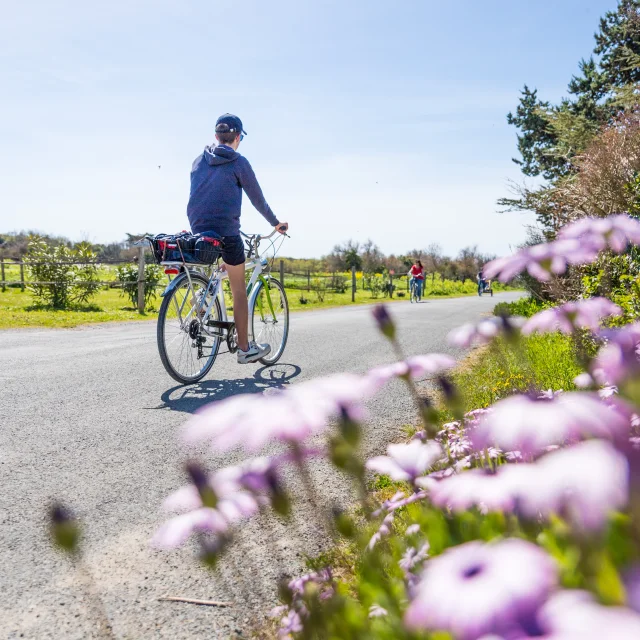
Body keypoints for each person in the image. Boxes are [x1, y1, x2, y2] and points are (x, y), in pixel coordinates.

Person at [186, 113, 289, 364]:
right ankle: (244, 348)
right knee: (239, 289)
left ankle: (201, 301)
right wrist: (276, 224)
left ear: (216, 136)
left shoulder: (199, 160)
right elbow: (258, 200)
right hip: (226, 233)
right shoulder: (238, 163)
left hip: (198, 231)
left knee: (220, 265)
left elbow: (199, 197)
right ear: (238, 137)